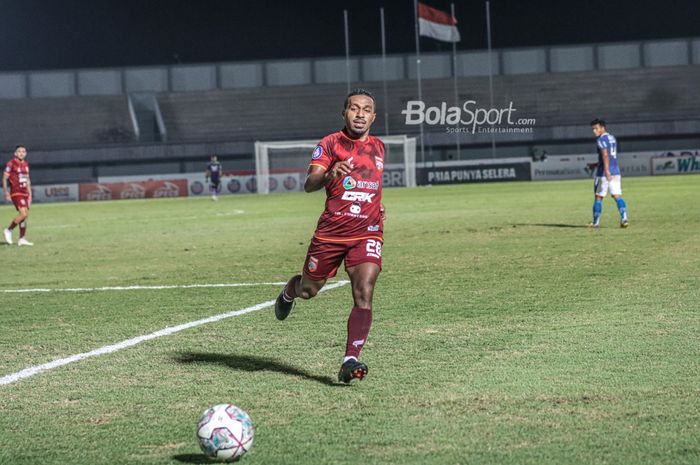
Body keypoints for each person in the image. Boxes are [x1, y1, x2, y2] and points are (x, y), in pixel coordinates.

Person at [274, 88, 386, 384]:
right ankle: (290, 291)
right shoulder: (329, 144)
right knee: (309, 291)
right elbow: (310, 183)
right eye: (354, 108)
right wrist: (330, 173)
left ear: (373, 117)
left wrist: (377, 206)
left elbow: (371, 185)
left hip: (367, 231)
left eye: (366, 109)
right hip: (331, 235)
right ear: (344, 113)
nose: (360, 113)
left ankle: (351, 359)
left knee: (365, 290)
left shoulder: (379, 147)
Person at [589, 119, 629, 228]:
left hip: (604, 173)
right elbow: (609, 157)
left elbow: (605, 155)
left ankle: (596, 223)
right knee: (617, 196)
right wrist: (596, 164)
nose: (594, 131)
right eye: (592, 129)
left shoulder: (600, 139)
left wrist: (606, 170)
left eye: (596, 128)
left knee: (598, 197)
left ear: (602, 128)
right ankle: (624, 218)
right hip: (615, 171)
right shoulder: (612, 138)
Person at [3, 145, 34, 246]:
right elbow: (4, 178)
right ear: (15, 153)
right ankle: (8, 230)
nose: (21, 153)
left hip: (25, 193)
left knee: (25, 216)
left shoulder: (25, 164)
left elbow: (27, 180)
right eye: (19, 151)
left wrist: (30, 194)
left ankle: (22, 238)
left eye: (23, 151)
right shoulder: (11, 163)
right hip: (16, 192)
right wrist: (6, 192)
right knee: (23, 214)